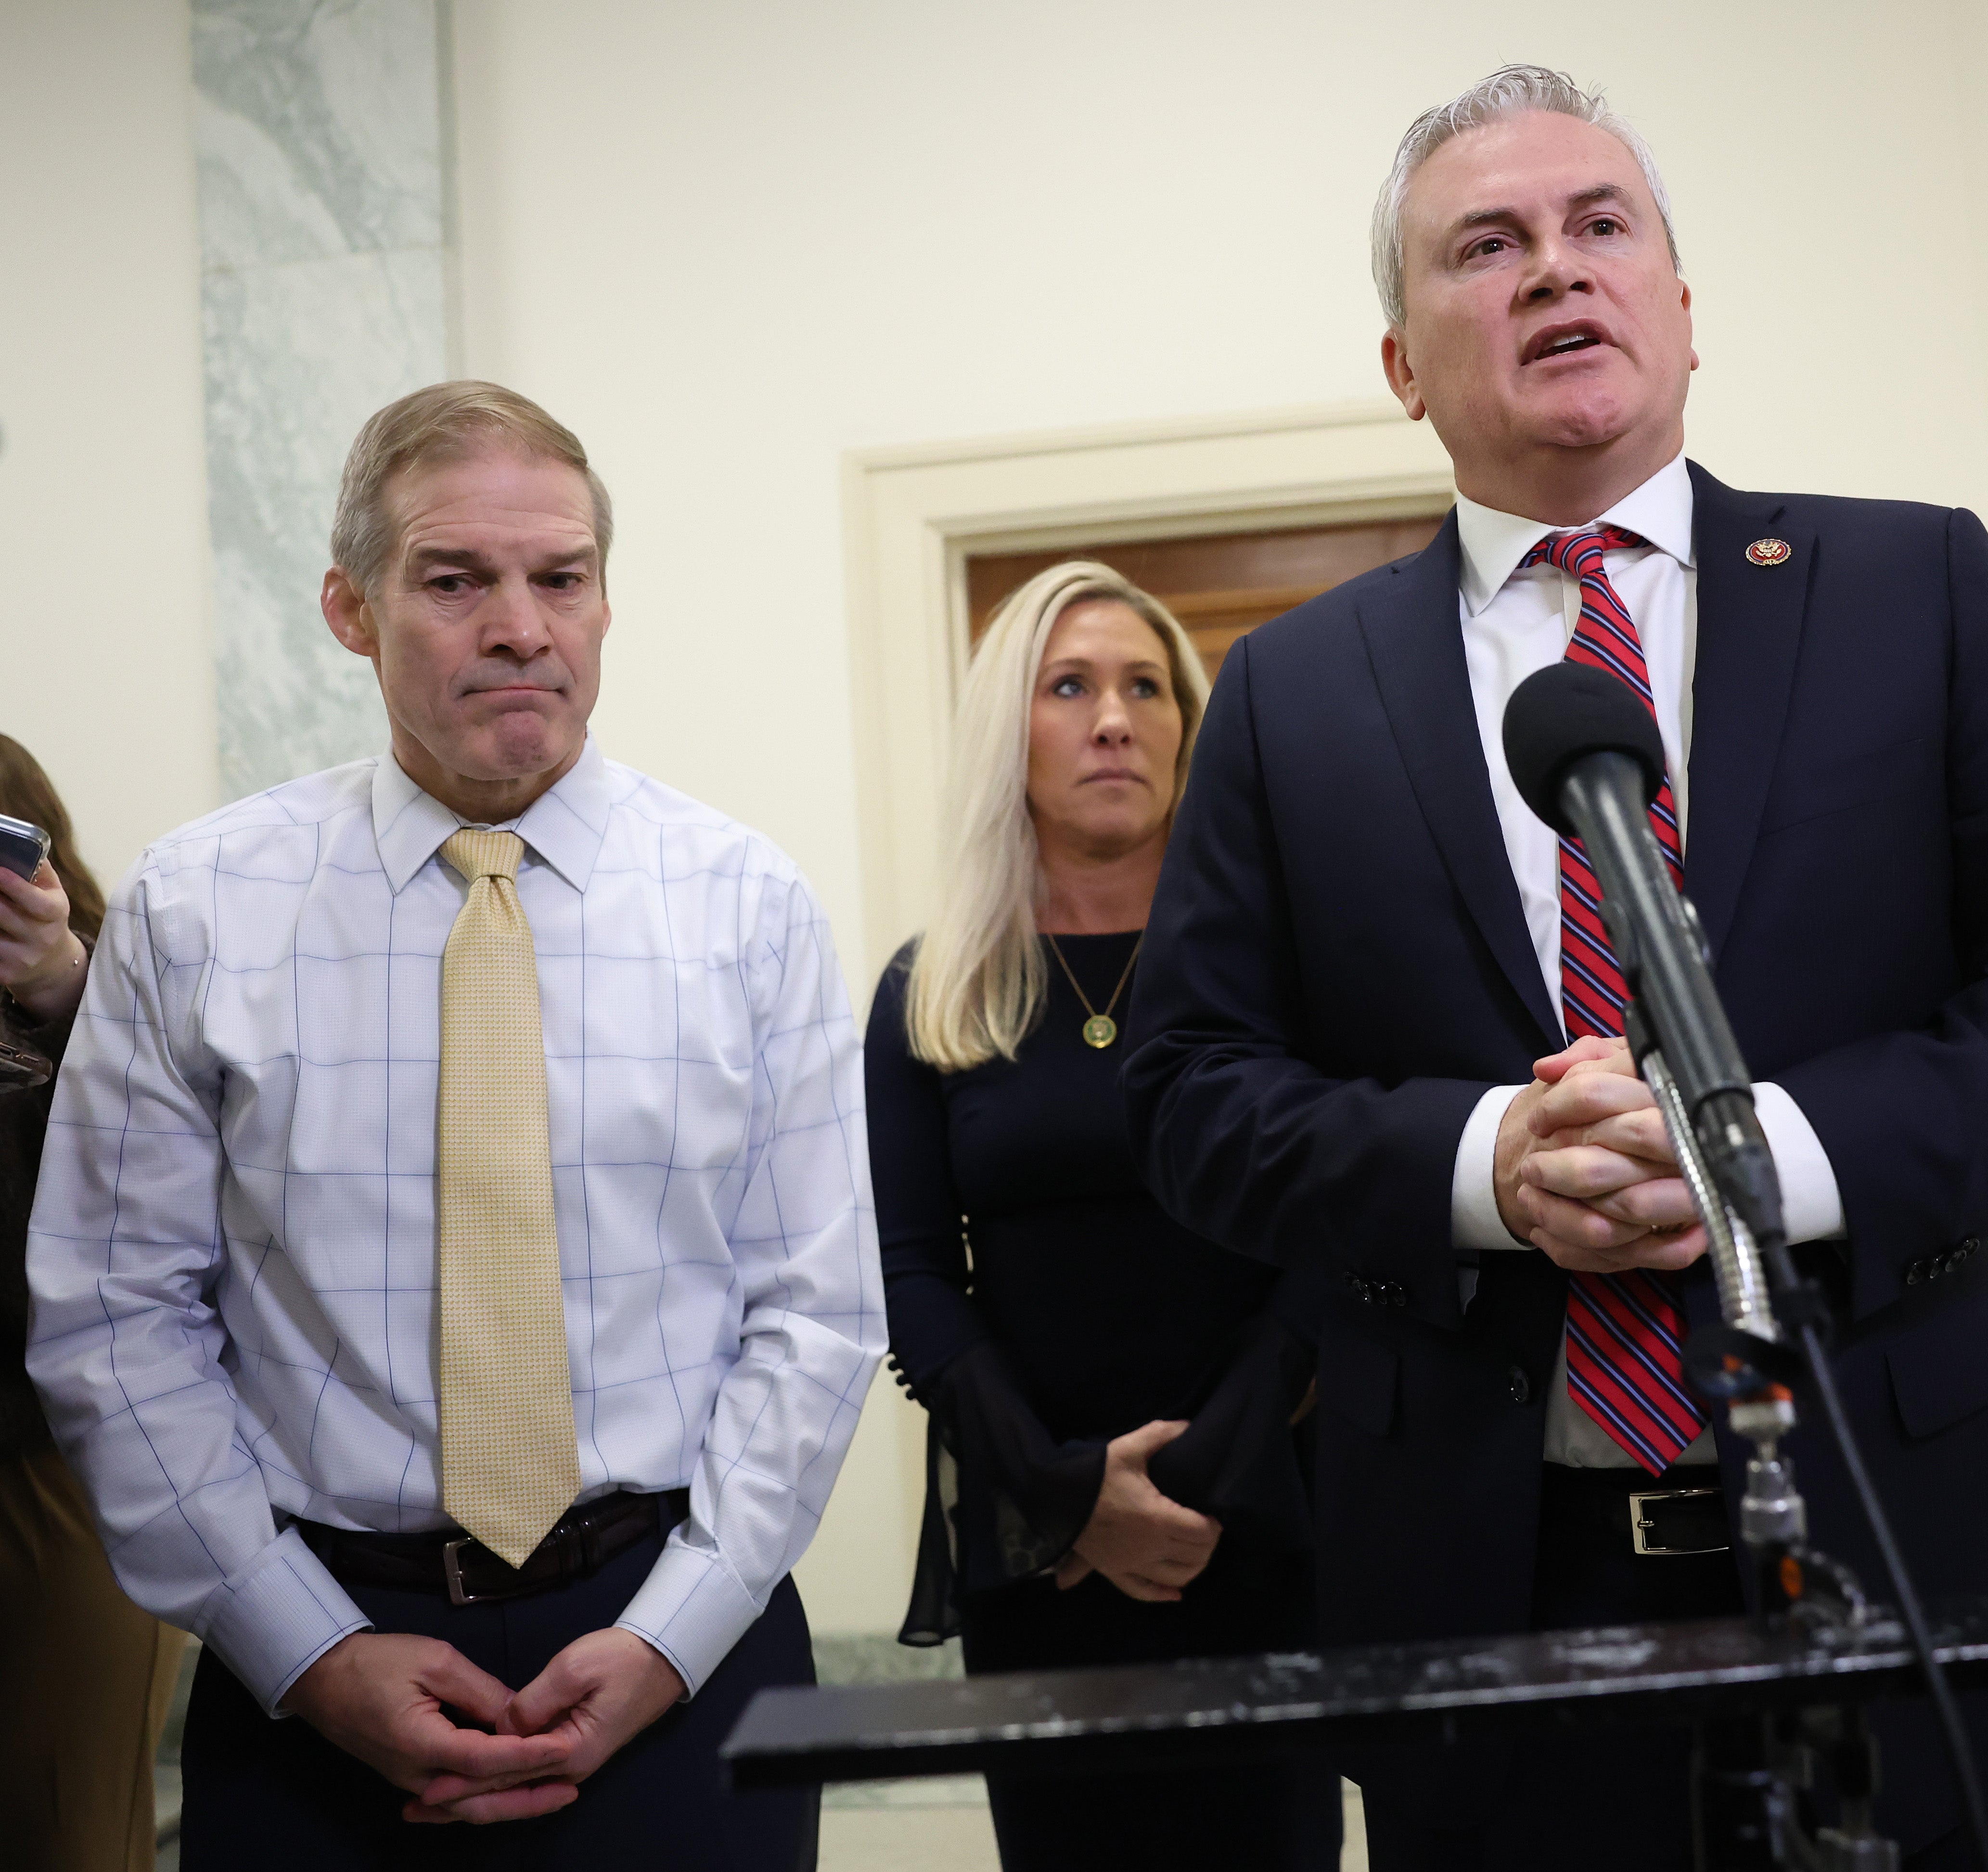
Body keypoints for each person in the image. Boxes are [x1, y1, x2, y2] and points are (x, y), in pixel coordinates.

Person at [1120, 66, 1988, 1872]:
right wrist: (1487, 1171)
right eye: (1487, 245)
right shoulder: (1293, 691)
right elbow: (1188, 1093)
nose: (1555, 270)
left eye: (1599, 225)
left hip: (1900, 1540)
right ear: (1402, 363)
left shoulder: (1912, 590)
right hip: (1487, 1597)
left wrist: (1767, 1150)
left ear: (1683, 312)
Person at [24, 382, 884, 1871]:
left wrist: (674, 1635)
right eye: (454, 581)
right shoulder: (199, 908)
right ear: (350, 611)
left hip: (678, 1638)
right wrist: (304, 1648)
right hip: (314, 1663)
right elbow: (113, 1315)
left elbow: (813, 1313)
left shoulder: (744, 904)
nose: (520, 625)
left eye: (562, 578)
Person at [865, 562, 1337, 1871]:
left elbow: (1339, 1238)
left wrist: (1190, 1491)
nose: (1114, 719)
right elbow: (907, 1275)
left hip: (1264, 1532)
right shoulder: (933, 989)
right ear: (1006, 736)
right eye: (1067, 687)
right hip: (1041, 1558)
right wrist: (1072, 1498)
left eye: (1145, 686)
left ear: (1189, 728)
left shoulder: (1277, 972)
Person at [0, 737, 189, 1872]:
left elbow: (182, 1181)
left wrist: (64, 987)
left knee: (70, 1829)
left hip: (54, 1464)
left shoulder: (111, 989)